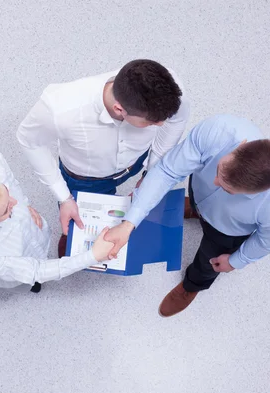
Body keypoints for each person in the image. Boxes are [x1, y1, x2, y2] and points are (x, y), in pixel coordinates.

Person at [105, 115, 270, 316]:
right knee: (197, 195)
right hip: (198, 195)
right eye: (218, 171)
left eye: (227, 190)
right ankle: (194, 208)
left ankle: (191, 286)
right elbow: (168, 171)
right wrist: (130, 222)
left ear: (255, 193)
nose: (215, 182)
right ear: (240, 146)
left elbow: (266, 242)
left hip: (226, 231)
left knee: (208, 262)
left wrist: (236, 261)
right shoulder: (219, 130)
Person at [17, 59, 190, 257]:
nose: (161, 125)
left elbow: (176, 122)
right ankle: (73, 237)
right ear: (119, 109)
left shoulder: (170, 88)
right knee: (80, 219)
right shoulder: (59, 108)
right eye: (152, 122)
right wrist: (64, 198)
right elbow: (30, 141)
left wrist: (151, 171)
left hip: (137, 160)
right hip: (85, 179)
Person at [0, 149, 114, 293]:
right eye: (6, 209)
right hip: (14, 264)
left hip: (34, 235)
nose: (14, 203)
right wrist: (93, 256)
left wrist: (26, 205)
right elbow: (36, 270)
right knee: (30, 278)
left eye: (6, 192)